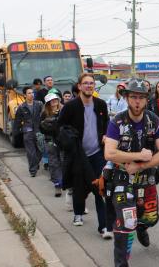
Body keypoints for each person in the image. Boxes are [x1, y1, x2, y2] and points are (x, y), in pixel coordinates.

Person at [104, 79, 159, 267]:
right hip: (121, 178)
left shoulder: (154, 120)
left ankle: (142, 227)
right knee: (126, 223)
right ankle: (121, 263)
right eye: (133, 97)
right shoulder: (117, 121)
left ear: (145, 100)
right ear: (126, 98)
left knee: (151, 217)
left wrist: (140, 165)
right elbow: (109, 153)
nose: (137, 101)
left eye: (141, 98)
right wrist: (137, 156)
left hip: (146, 178)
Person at [57, 73, 109, 233]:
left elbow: (106, 122)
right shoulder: (70, 107)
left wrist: (106, 135)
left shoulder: (101, 105)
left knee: (101, 187)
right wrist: (69, 143)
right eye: (85, 83)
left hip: (97, 154)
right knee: (79, 187)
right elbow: (60, 129)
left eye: (91, 83)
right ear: (79, 86)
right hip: (78, 155)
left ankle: (104, 226)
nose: (89, 86)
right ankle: (78, 213)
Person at [14, 86, 43, 177]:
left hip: (38, 131)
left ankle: (35, 164)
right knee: (31, 152)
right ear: (25, 95)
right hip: (28, 131)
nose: (31, 94)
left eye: (32, 92)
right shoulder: (22, 107)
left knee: (41, 150)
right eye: (29, 93)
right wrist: (16, 133)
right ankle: (33, 170)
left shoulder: (39, 104)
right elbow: (17, 121)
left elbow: (44, 115)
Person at [40, 93, 63, 197]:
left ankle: (66, 182)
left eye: (55, 100)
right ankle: (57, 185)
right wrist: (48, 122)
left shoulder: (64, 111)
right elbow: (41, 128)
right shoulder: (44, 113)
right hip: (50, 140)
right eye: (52, 101)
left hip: (63, 141)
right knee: (53, 163)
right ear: (48, 103)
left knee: (63, 161)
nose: (54, 102)